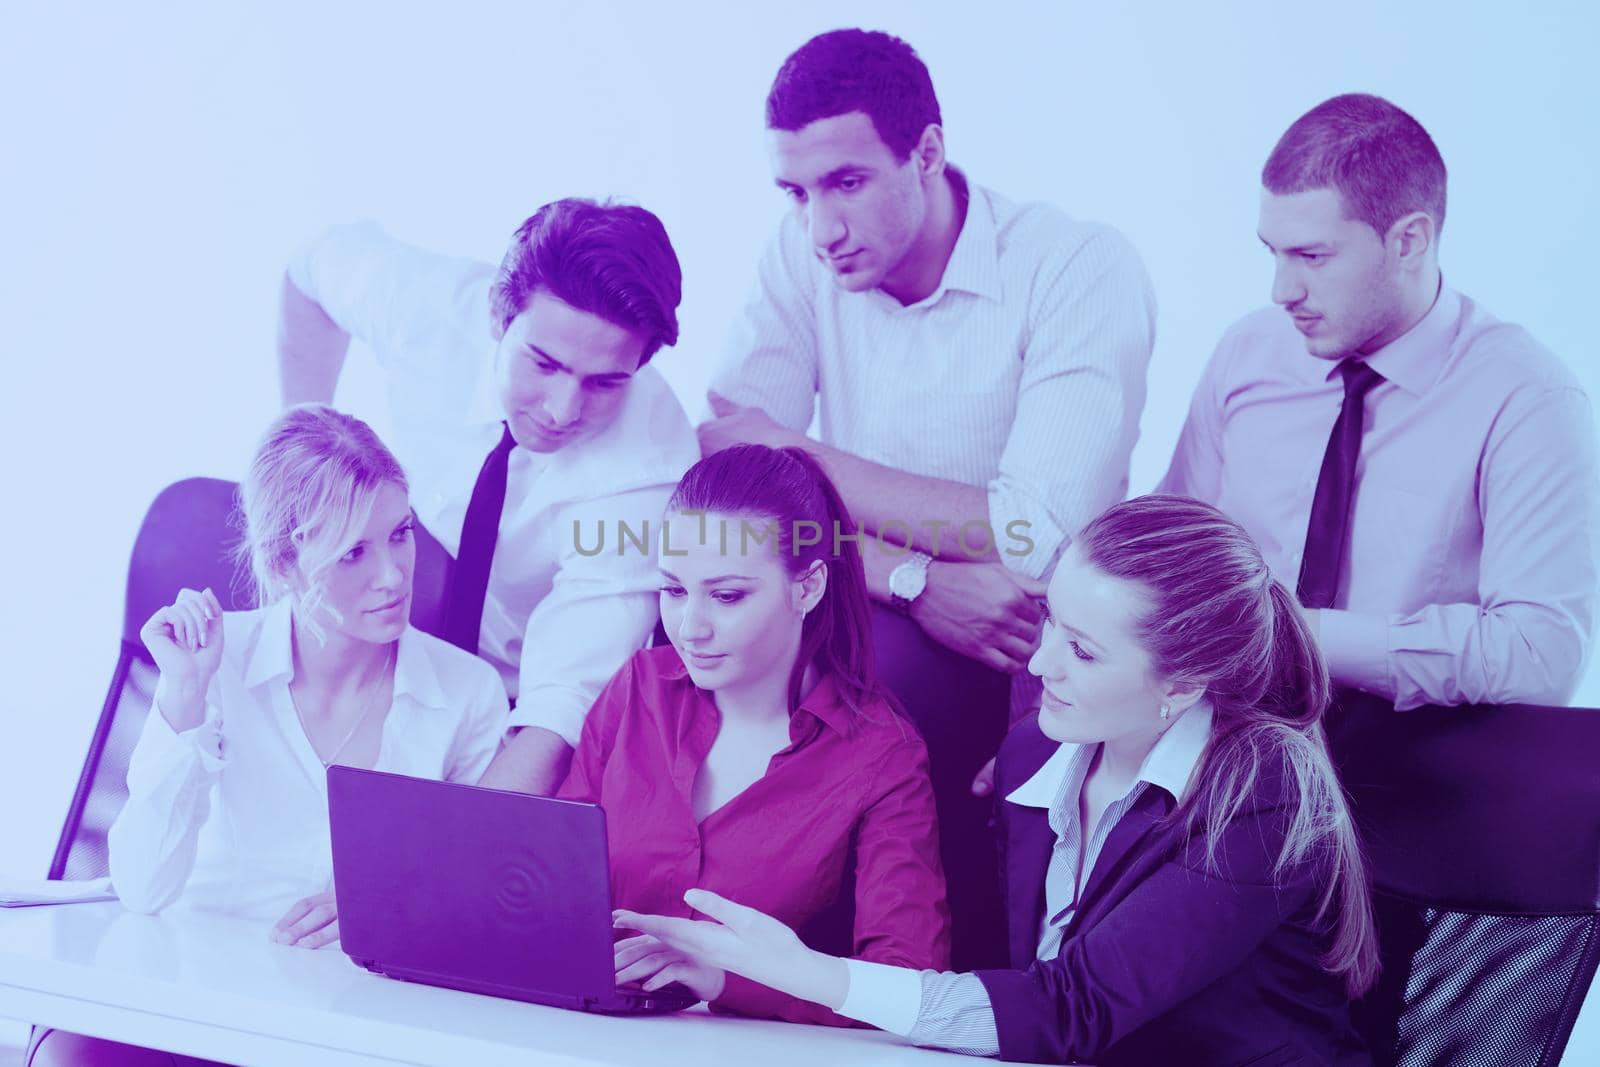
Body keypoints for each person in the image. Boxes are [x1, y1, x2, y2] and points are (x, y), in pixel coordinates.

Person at [614, 495, 1379, 1065]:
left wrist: (808, 971)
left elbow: (1072, 1008)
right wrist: (745, 976)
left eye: (1082, 650)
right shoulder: (1030, 758)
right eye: (1052, 623)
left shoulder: (1264, 793)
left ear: (1180, 685)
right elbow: (989, 988)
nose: (1039, 663)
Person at [704, 27, 1156, 969]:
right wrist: (909, 574)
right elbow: (730, 495)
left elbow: (1033, 535)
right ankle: (722, 958)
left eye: (848, 183)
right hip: (882, 595)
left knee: (877, 680)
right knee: (686, 632)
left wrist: (793, 448)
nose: (821, 226)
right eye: (796, 192)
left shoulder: (1075, 267)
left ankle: (879, 982)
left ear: (929, 153)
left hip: (1021, 633)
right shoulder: (802, 258)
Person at [30, 406, 509, 1067]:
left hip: (357, 1028)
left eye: (400, 534)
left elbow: (485, 902)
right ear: (285, 564)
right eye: (354, 553)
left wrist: (389, 908)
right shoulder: (215, 665)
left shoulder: (465, 693)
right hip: (193, 1001)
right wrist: (185, 696)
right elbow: (140, 885)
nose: (395, 575)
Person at [1160, 93, 1598, 709]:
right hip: (1222, 737)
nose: (1282, 290)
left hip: (1413, 759)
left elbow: (1539, 655)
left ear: (1409, 241)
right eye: (1273, 252)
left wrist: (1294, 636)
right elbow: (1169, 551)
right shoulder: (1249, 350)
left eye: (1312, 256)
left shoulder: (1529, 399)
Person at [278, 197, 700, 797]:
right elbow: (309, 270)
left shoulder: (648, 473)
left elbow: (557, 713)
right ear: (499, 320)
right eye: (544, 364)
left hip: (515, 711)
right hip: (384, 656)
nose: (563, 411)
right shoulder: (430, 310)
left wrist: (441, 860)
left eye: (605, 383)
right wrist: (306, 456)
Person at [564, 444, 950, 1025]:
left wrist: (724, 982)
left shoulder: (880, 756)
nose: (690, 628)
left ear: (808, 587)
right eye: (673, 590)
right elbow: (548, 886)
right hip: (578, 1034)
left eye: (727, 595)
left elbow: (906, 985)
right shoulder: (637, 689)